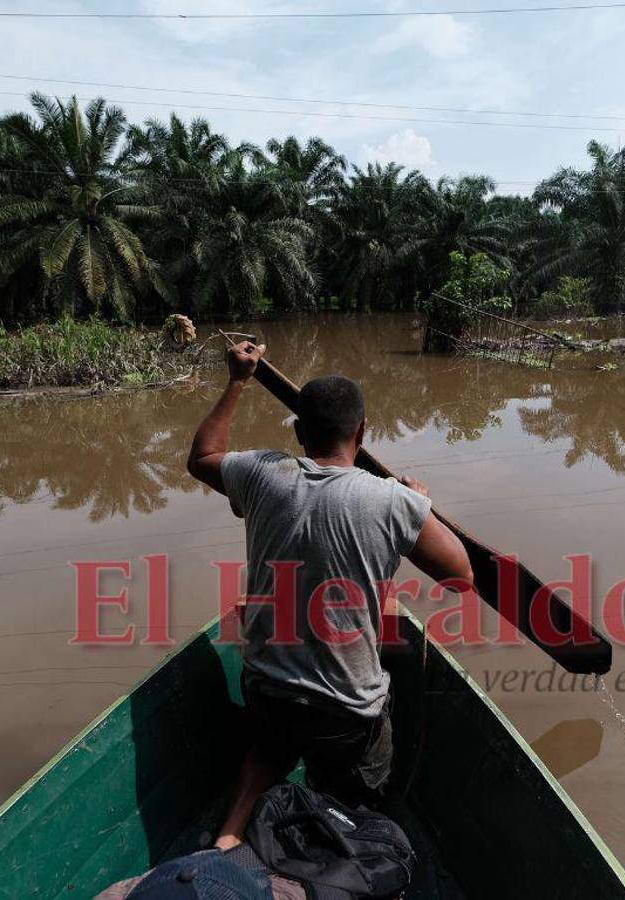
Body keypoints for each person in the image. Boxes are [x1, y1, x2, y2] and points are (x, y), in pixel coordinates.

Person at [187, 341, 474, 851]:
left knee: (270, 743)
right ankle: (346, 840)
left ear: (298, 434)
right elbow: (461, 577)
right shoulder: (393, 501)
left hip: (267, 691)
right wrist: (421, 506)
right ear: (362, 434)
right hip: (344, 716)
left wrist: (237, 380)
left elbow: (204, 455)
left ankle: (229, 835)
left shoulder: (262, 474)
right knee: (365, 788)